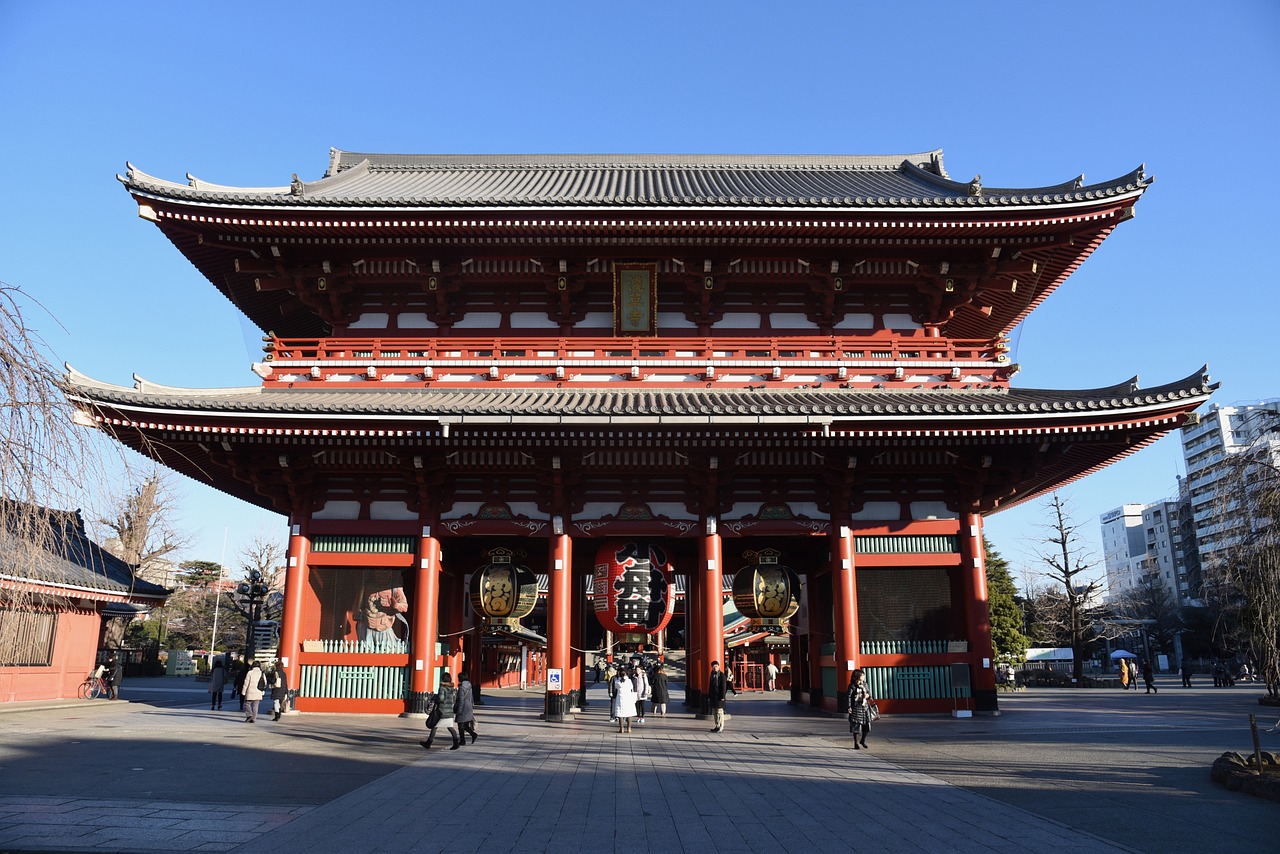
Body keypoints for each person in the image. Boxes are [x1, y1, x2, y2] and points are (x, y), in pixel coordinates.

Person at [421, 672, 459, 750]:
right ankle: (456, 743)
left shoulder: (442, 688)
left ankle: (428, 743)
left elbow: (441, 698)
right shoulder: (452, 689)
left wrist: (435, 698)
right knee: (450, 727)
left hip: (442, 711)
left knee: (434, 727)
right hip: (449, 711)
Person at [847, 668, 874, 749]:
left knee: (867, 725)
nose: (863, 677)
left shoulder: (865, 684)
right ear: (857, 676)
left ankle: (863, 740)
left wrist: (867, 695)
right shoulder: (852, 685)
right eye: (862, 675)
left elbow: (869, 694)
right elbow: (848, 696)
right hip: (856, 707)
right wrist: (849, 706)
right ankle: (856, 743)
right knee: (855, 725)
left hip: (864, 707)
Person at [707, 660, 735, 733]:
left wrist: (722, 696)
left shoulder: (722, 675)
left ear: (719, 666)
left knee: (720, 712)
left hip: (719, 697)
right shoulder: (712, 674)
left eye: (716, 666)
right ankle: (717, 725)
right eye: (713, 666)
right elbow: (710, 686)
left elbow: (723, 687)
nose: (715, 668)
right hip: (713, 696)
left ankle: (721, 727)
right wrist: (709, 696)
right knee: (714, 712)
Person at [612, 667, 638, 733]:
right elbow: (632, 688)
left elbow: (616, 687)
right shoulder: (629, 681)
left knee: (620, 714)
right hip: (628, 698)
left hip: (620, 698)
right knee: (629, 713)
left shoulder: (618, 682)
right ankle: (629, 728)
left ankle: (621, 728)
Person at [455, 673, 478, 745]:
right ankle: (472, 735)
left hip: (463, 707)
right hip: (468, 707)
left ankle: (463, 740)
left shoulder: (461, 687)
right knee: (465, 725)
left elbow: (461, 700)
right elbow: (472, 698)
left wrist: (459, 710)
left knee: (460, 725)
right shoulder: (469, 686)